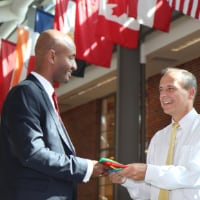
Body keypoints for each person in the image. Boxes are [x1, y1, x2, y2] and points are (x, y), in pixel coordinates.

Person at [0, 29, 108, 200]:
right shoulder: (26, 93)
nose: (74, 65)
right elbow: (33, 153)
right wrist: (85, 167)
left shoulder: (42, 96)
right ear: (52, 56)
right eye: (71, 57)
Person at [109, 67, 200, 199]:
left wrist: (147, 172)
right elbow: (150, 192)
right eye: (161, 90)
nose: (163, 95)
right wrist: (126, 180)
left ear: (190, 93)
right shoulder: (159, 138)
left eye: (170, 88)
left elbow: (193, 175)